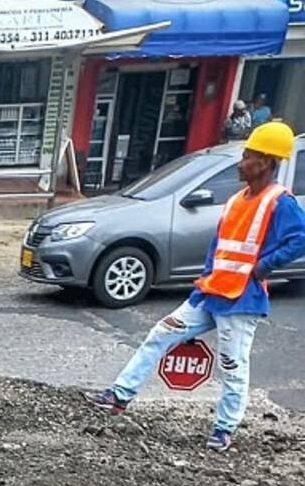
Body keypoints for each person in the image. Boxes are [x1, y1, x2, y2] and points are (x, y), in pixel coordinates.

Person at [85, 121, 305, 452]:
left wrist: (264, 266)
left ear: (267, 161)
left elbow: (299, 239)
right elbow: (219, 246)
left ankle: (224, 429)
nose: (241, 163)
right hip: (211, 292)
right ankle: (118, 395)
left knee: (233, 365)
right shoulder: (235, 201)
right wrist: (204, 278)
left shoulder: (279, 202)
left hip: (241, 299)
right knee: (161, 333)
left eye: (248, 156)